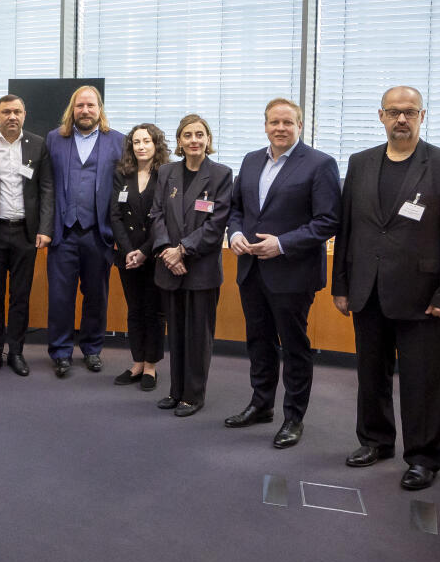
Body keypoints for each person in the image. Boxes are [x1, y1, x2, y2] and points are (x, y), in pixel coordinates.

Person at [332, 86, 440, 490]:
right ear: (380, 116)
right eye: (393, 112)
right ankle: (375, 440)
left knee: (423, 380)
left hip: (425, 297)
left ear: (422, 116)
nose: (401, 119)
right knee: (370, 374)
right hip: (368, 289)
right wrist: (340, 284)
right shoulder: (360, 164)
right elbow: (348, 230)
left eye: (409, 112)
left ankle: (424, 458)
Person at [224, 98, 340, 448]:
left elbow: (328, 221)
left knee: (293, 346)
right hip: (252, 270)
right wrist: (236, 234)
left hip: (292, 272)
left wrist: (283, 244)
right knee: (258, 342)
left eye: (288, 122)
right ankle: (261, 405)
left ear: (299, 126)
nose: (280, 128)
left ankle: (293, 417)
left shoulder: (320, 164)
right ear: (265, 125)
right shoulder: (250, 160)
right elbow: (236, 210)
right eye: (274, 122)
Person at [151, 114, 231, 417]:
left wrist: (182, 250)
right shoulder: (166, 172)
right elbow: (156, 214)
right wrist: (167, 252)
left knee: (198, 335)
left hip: (201, 269)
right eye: (187, 135)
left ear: (208, 139)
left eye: (200, 134)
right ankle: (176, 391)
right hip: (169, 266)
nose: (194, 140)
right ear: (179, 141)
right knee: (177, 333)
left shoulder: (222, 174)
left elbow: (216, 224)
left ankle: (193, 395)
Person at [0, 94, 53, 377]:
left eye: (17, 111)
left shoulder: (38, 144)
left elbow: (46, 189)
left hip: (26, 234)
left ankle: (15, 351)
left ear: (24, 115)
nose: (12, 117)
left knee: (20, 296)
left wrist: (44, 228)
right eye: (6, 112)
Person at [45, 86, 125, 377]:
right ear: (72, 109)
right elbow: (46, 185)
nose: (85, 110)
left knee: (96, 295)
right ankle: (61, 352)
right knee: (60, 296)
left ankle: (92, 349)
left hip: (99, 232)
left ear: (99, 109)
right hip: (63, 232)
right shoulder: (55, 139)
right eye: (80, 105)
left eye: (91, 105)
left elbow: (124, 189)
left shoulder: (118, 141)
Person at [109, 123, 168, 392]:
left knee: (154, 311)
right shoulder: (123, 173)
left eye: (146, 141)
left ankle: (151, 365)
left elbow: (165, 218)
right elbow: (115, 215)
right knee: (134, 309)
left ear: (156, 144)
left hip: (154, 253)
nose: (141, 146)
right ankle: (137, 362)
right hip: (127, 254)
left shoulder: (167, 174)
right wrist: (127, 249)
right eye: (136, 142)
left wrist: (144, 251)